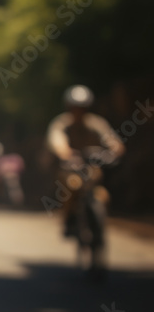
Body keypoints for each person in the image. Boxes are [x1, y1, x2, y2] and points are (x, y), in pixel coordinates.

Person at [46, 85, 124, 237]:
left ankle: (98, 223)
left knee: (102, 194)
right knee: (71, 185)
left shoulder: (97, 123)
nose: (78, 111)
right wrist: (65, 152)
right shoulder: (61, 124)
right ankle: (69, 219)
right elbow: (57, 141)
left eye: (82, 108)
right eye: (75, 107)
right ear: (69, 107)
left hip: (92, 169)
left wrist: (115, 150)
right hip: (70, 169)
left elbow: (112, 141)